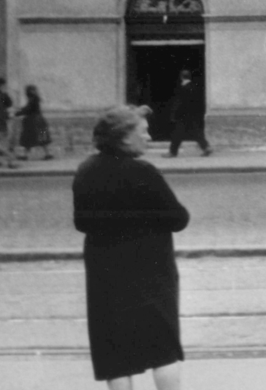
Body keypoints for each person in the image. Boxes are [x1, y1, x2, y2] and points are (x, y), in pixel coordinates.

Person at [73, 106, 191, 389]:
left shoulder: (86, 170)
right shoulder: (143, 172)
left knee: (113, 355)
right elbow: (178, 219)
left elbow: (81, 222)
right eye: (143, 131)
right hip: (149, 270)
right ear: (124, 138)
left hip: (105, 273)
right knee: (162, 350)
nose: (149, 136)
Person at [165, 71, 211, 158]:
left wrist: (175, 114)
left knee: (177, 133)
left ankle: (172, 152)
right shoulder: (194, 87)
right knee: (196, 132)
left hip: (183, 115)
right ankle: (206, 147)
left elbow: (179, 103)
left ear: (181, 77)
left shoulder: (182, 88)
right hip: (192, 115)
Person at [18, 83, 54, 160]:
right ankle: (47, 154)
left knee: (28, 138)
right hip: (39, 120)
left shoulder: (33, 99)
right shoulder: (35, 98)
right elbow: (28, 108)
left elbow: (27, 109)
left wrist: (18, 112)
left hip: (33, 121)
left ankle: (25, 155)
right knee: (42, 137)